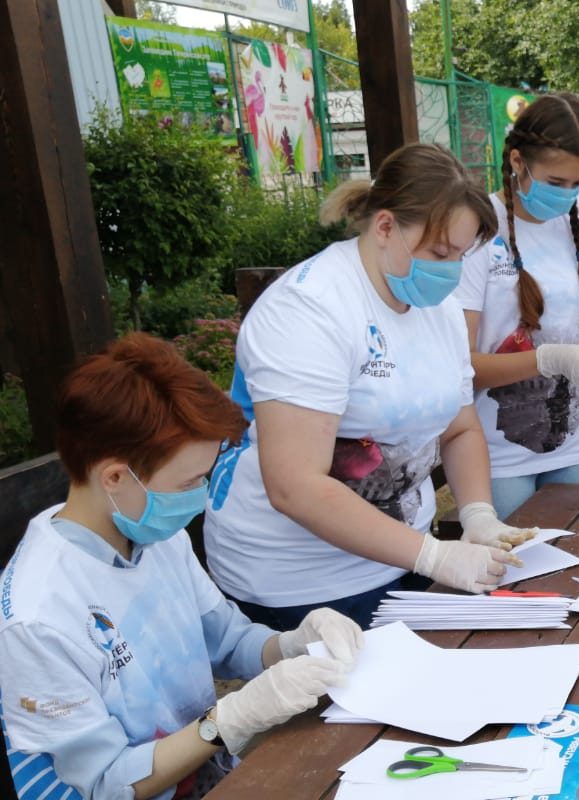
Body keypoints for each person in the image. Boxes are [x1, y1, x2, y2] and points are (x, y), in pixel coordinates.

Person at [0, 333, 364, 799]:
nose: (200, 496)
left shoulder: (154, 535)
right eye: (189, 481)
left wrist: (293, 644)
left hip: (211, 776)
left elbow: (229, 639)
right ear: (114, 476)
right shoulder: (38, 617)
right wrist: (227, 721)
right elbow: (106, 784)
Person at [203, 143, 527, 631]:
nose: (451, 270)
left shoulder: (434, 304)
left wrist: (479, 514)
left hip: (398, 558)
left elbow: (460, 426)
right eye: (440, 253)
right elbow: (294, 485)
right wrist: (433, 556)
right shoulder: (308, 309)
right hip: (299, 585)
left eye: (461, 255)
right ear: (385, 226)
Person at [456, 93, 579, 518]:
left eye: (577, 183)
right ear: (518, 162)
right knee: (516, 574)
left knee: (577, 560)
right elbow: (461, 364)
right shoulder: (477, 231)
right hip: (498, 450)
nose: (567, 195)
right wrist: (548, 358)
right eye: (555, 182)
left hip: (574, 436)